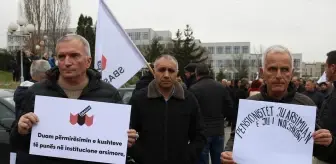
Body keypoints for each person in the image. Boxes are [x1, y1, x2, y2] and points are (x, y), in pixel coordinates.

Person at [10, 34, 137, 163]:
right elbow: (16, 142)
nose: (67, 62)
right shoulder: (36, 92)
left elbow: (123, 139)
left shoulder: (109, 93)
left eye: (74, 56)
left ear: (88, 61)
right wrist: (21, 130)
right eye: (61, 56)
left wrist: (128, 139)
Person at [221, 45, 333, 164]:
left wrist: (328, 142)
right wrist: (228, 153)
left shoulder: (305, 105)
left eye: (284, 69)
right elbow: (235, 139)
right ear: (262, 73)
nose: (279, 75)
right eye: (272, 69)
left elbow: (318, 149)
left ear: (291, 73)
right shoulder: (250, 104)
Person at [129, 55, 206, 164]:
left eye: (171, 70)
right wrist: (140, 156)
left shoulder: (189, 99)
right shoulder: (139, 99)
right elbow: (127, 132)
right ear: (154, 72)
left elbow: (200, 135)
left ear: (177, 73)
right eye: (161, 70)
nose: (166, 75)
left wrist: (187, 156)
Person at [189, 64, 233, 164]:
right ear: (209, 73)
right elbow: (230, 107)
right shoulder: (221, 87)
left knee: (201, 160)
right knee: (218, 160)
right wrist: (222, 116)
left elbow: (190, 111)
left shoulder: (194, 89)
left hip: (202, 132)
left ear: (196, 74)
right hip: (218, 130)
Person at [314, 50, 336, 164]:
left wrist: (332, 143)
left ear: (332, 68)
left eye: (325, 67)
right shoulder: (332, 90)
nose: (325, 72)